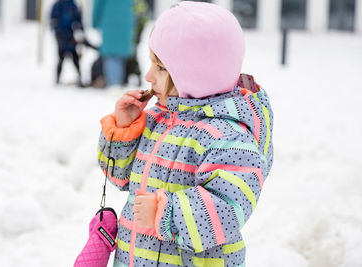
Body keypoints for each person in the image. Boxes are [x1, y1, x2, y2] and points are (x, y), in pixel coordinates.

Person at [97, 2, 273, 266]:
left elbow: (229, 207)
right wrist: (125, 129)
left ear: (193, 72)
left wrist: (164, 212)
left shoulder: (227, 136)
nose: (147, 76)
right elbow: (120, 178)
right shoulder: (159, 119)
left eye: (159, 67)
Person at [92, 0, 135, 87]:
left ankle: (113, 83)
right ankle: (118, 82)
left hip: (109, 22)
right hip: (125, 22)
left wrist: (94, 23)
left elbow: (97, 7)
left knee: (110, 56)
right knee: (120, 56)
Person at [50, 0, 83, 86]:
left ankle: (80, 77)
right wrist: (57, 32)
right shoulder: (58, 5)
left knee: (75, 58)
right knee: (61, 58)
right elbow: (53, 20)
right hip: (62, 36)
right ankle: (57, 79)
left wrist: (78, 29)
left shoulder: (73, 5)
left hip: (71, 37)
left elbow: (78, 19)